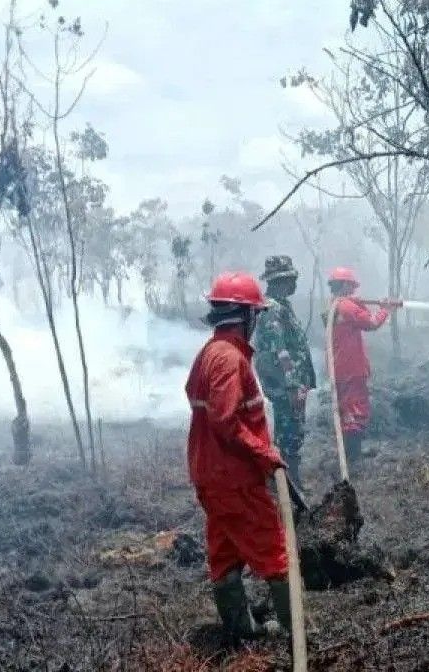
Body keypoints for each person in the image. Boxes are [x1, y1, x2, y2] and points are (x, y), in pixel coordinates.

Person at [185, 271, 291, 641]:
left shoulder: (208, 355)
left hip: (211, 475)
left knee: (225, 550)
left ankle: (241, 631)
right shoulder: (230, 359)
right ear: (246, 316)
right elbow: (226, 420)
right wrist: (265, 452)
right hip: (234, 477)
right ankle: (298, 634)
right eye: (255, 316)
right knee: (273, 548)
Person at [252, 255, 316, 486]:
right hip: (287, 385)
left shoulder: (281, 306)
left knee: (293, 432)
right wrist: (291, 385)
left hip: (292, 383)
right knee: (289, 434)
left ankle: (290, 482)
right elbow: (280, 351)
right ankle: (288, 485)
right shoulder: (272, 309)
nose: (294, 283)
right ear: (280, 281)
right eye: (290, 279)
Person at [326, 266, 399, 467]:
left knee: (347, 412)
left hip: (341, 368)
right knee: (355, 412)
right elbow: (372, 323)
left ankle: (351, 454)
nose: (354, 290)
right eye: (352, 286)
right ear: (346, 285)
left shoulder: (335, 305)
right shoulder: (346, 307)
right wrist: (385, 309)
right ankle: (353, 459)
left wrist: (361, 304)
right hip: (351, 369)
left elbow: (359, 320)